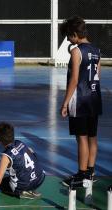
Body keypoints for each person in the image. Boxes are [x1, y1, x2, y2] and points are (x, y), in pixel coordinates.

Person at [60, 16, 102, 187]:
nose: (69, 40)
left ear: (75, 34)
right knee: (92, 137)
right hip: (94, 98)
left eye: (69, 36)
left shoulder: (76, 51)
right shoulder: (97, 50)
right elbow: (97, 76)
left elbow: (75, 80)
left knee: (81, 138)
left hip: (80, 100)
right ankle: (90, 172)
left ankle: (81, 174)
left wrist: (65, 103)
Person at [0, 122, 45, 202]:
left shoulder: (6, 156)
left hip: (26, 185)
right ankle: (30, 187)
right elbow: (32, 153)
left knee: (3, 184)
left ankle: (23, 192)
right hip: (40, 178)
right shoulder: (20, 143)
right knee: (16, 171)